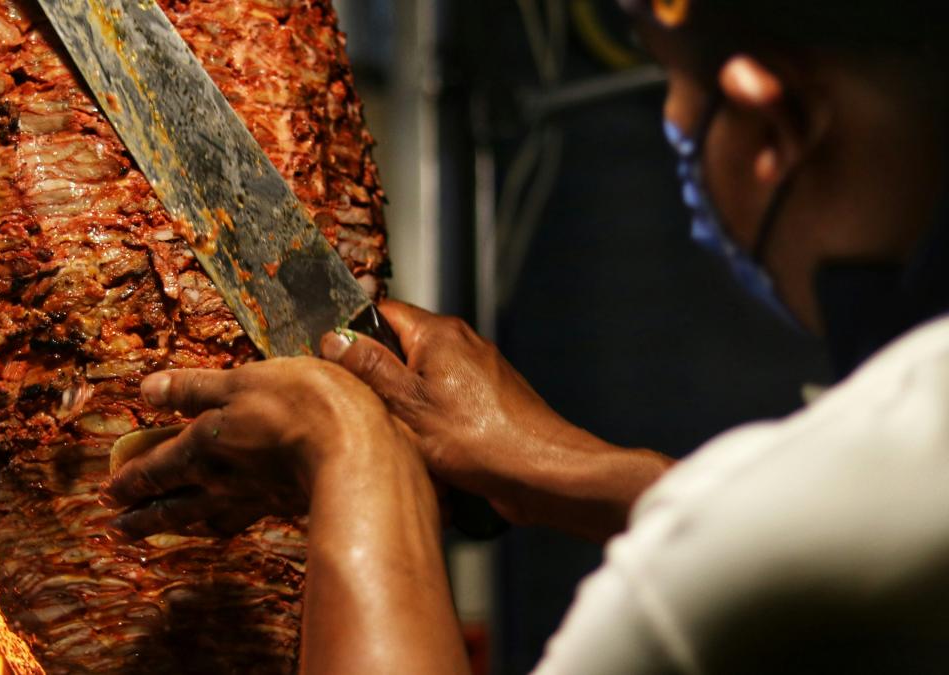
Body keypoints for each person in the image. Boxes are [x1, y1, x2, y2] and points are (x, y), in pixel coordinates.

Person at [103, 0, 949, 672]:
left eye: (669, 80)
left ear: (777, 125)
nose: (675, 119)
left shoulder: (714, 581)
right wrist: (563, 467)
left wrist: (351, 448)